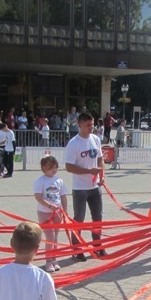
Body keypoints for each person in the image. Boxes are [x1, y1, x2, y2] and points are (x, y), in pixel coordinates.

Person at [65, 112, 105, 261]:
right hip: (80, 188)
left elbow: (101, 160)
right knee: (79, 219)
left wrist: (102, 175)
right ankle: (77, 249)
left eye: (93, 125)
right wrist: (89, 171)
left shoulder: (95, 139)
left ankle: (98, 247)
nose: (91, 128)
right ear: (79, 125)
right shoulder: (74, 143)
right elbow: (69, 167)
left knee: (98, 218)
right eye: (88, 125)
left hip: (95, 187)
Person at [33, 155, 69, 273]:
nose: (54, 170)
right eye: (51, 167)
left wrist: (65, 210)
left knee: (56, 236)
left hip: (57, 212)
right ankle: (48, 261)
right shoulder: (40, 181)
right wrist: (49, 206)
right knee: (50, 237)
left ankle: (54, 259)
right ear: (44, 167)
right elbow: (38, 197)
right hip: (45, 213)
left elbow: (63, 196)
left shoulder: (59, 180)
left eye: (55, 167)